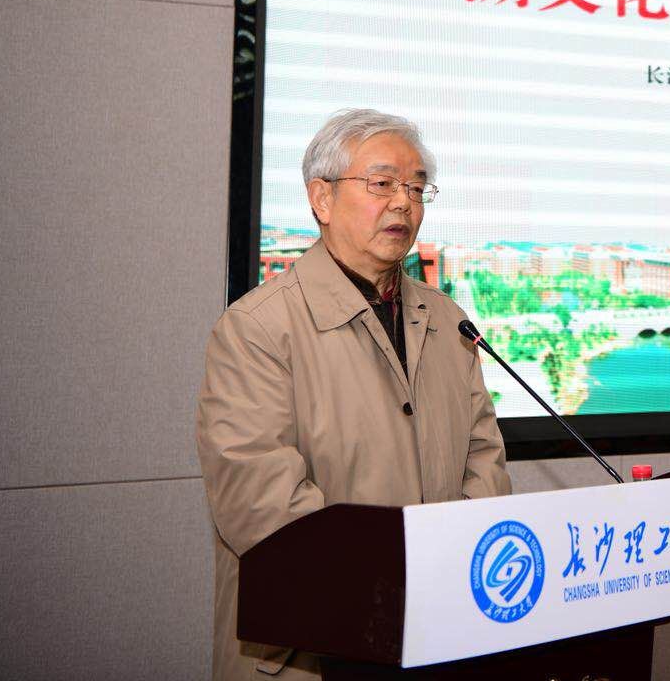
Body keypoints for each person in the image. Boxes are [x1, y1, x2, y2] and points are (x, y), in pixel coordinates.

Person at [196, 109, 511, 679]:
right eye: (382, 183)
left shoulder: (448, 320)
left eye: (416, 188)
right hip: (317, 648)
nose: (403, 203)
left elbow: (484, 461)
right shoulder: (258, 328)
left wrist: (456, 576)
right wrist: (398, 589)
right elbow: (261, 505)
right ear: (321, 198)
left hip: (442, 633)